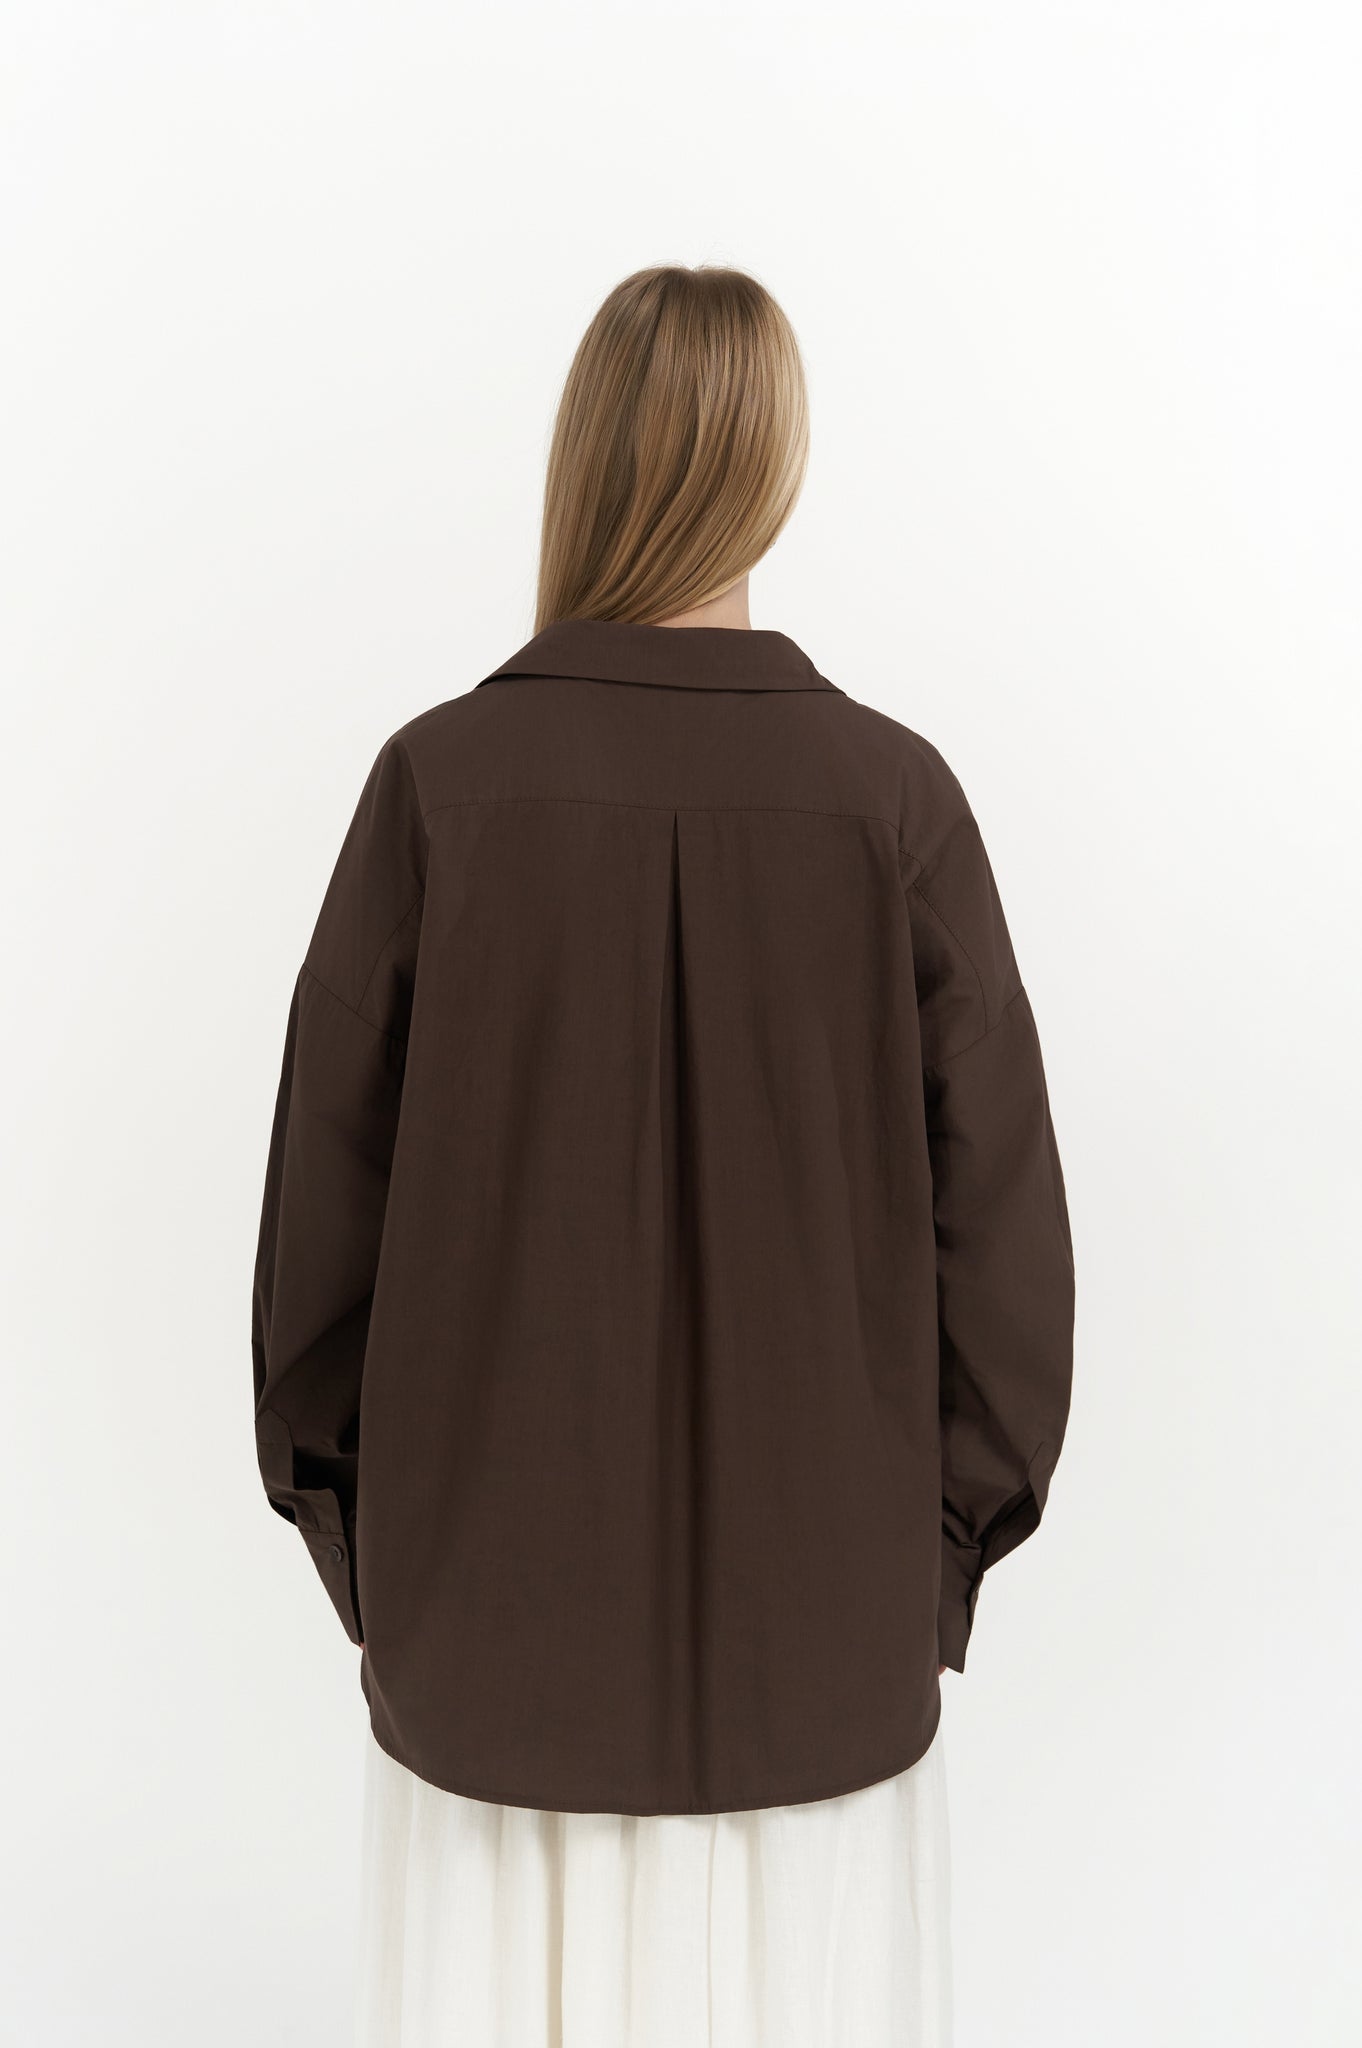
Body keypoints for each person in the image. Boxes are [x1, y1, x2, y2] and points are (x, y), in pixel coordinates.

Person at [251, 263, 1076, 2048]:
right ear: (772, 468)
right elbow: (1007, 1257)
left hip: (486, 1679)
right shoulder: (893, 805)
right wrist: (918, 1574)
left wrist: (390, 1567)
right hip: (822, 1684)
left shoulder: (438, 790)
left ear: (584, 458)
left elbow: (317, 1250)